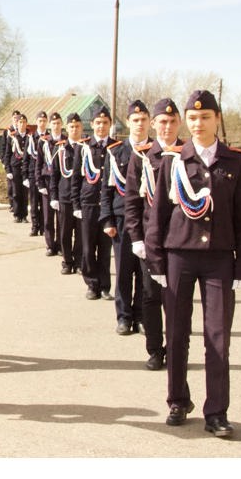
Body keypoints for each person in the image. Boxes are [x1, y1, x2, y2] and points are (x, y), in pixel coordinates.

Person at [144, 89, 241, 437]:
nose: (198, 123)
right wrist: (157, 260)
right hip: (179, 256)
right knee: (176, 334)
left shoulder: (233, 161)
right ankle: (178, 399)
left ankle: (217, 412)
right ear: (185, 122)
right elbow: (158, 214)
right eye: (192, 118)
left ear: (217, 119)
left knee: (218, 338)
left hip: (220, 258)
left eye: (205, 117)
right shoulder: (174, 159)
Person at [124, 98, 183, 370]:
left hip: (181, 240)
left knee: (177, 299)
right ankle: (155, 349)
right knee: (150, 296)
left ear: (178, 123)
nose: (167, 127)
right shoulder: (142, 157)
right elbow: (133, 202)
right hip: (150, 239)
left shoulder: (186, 154)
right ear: (154, 124)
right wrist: (136, 237)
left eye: (172, 122)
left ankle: (176, 349)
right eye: (162, 122)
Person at [101, 101, 149, 336]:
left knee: (144, 272)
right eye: (135, 120)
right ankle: (123, 317)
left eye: (143, 120)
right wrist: (107, 219)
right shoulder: (116, 151)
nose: (139, 124)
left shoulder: (155, 151)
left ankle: (140, 315)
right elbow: (106, 190)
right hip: (121, 220)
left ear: (149, 122)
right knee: (123, 271)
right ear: (128, 123)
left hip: (148, 221)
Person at [71, 106, 116, 301]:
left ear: (110, 125)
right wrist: (76, 205)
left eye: (105, 123)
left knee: (105, 248)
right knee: (88, 248)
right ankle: (91, 284)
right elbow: (75, 179)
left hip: (108, 206)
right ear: (92, 125)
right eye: (98, 123)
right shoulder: (84, 147)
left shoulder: (116, 147)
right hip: (88, 203)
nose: (101, 126)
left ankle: (105, 286)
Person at [49, 113, 84, 275]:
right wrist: (53, 196)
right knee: (64, 231)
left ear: (81, 128)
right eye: (72, 127)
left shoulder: (86, 148)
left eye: (77, 126)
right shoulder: (60, 148)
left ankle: (78, 262)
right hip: (64, 196)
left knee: (80, 232)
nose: (75, 129)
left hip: (82, 198)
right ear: (67, 128)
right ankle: (67, 261)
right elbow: (54, 174)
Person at [37, 112, 65, 256]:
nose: (56, 126)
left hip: (61, 182)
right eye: (53, 123)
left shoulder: (65, 141)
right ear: (50, 125)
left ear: (62, 124)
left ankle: (60, 245)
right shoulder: (44, 141)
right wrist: (40, 183)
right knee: (48, 217)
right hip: (47, 182)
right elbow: (39, 164)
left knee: (61, 217)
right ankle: (50, 245)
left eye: (58, 123)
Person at [25, 111, 48, 236]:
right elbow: (26, 158)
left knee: (44, 203)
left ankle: (44, 227)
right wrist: (25, 175)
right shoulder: (31, 137)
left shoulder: (49, 138)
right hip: (33, 174)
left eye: (44, 121)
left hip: (45, 175)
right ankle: (34, 227)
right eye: (40, 121)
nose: (42, 123)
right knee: (34, 203)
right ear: (37, 122)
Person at [5, 113, 31, 223]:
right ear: (17, 123)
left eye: (24, 122)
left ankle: (24, 215)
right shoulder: (12, 137)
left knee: (24, 193)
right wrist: (8, 169)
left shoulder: (30, 137)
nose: (22, 124)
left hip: (26, 168)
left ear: (26, 124)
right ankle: (17, 214)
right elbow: (7, 154)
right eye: (20, 122)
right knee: (16, 192)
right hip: (15, 167)